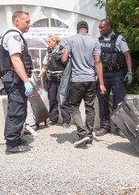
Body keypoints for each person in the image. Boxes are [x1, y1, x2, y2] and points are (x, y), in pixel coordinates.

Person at [61, 20, 106, 148]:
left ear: (77, 29)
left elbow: (64, 59)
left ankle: (82, 133)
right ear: (87, 30)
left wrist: (66, 59)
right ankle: (89, 138)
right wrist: (101, 83)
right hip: (91, 80)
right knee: (90, 108)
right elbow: (98, 62)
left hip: (77, 79)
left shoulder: (70, 40)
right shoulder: (95, 41)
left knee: (74, 106)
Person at [0, 11, 34, 153]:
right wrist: (26, 80)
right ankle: (12, 143)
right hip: (15, 78)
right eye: (27, 21)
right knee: (16, 110)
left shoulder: (7, 34)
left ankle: (16, 138)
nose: (29, 25)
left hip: (12, 77)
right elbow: (16, 59)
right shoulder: (14, 36)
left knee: (19, 108)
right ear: (16, 21)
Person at [95, 18, 133, 138]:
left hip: (117, 74)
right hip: (103, 74)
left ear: (109, 27)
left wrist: (130, 72)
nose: (100, 29)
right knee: (103, 100)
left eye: (102, 27)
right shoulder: (98, 41)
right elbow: (96, 59)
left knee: (119, 101)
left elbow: (127, 55)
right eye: (99, 27)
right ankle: (104, 126)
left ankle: (119, 127)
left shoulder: (119, 39)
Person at [38, 34, 71, 128]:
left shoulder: (63, 51)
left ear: (55, 41)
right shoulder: (48, 52)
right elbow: (45, 66)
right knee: (52, 99)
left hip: (61, 79)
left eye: (50, 41)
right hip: (51, 79)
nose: (48, 43)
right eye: (48, 41)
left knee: (63, 99)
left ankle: (66, 120)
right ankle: (53, 119)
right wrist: (39, 74)